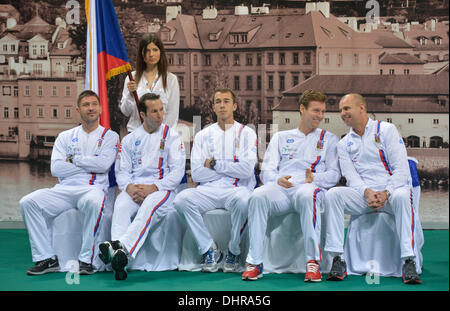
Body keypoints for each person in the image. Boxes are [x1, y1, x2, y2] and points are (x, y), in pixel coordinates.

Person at [241, 89, 340, 282]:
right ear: (302, 109)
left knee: (305, 195)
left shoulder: (329, 139)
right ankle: (255, 262)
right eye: (316, 110)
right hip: (282, 189)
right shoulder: (282, 137)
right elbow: (267, 170)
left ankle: (312, 262)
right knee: (257, 196)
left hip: (310, 188)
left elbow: (335, 175)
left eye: (322, 111)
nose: (320, 116)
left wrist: (315, 179)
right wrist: (276, 180)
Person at [324, 93, 422, 285]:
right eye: (340, 111)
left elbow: (401, 170)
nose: (342, 114)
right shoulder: (344, 144)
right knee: (333, 195)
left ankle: (408, 261)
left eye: (346, 108)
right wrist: (368, 193)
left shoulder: (386, 130)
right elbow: (351, 177)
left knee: (403, 196)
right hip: (365, 197)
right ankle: (338, 259)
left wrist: (386, 193)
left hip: (391, 194)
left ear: (361, 108)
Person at [19, 90, 119, 275]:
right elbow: (56, 169)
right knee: (28, 202)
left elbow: (104, 165)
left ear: (100, 108)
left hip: (92, 188)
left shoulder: (110, 136)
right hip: (64, 189)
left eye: (94, 104)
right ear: (77, 109)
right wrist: (90, 163)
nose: (90, 108)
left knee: (94, 202)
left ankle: (86, 260)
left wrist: (73, 160)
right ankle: (47, 258)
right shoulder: (65, 136)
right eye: (86, 105)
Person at [99, 92, 186, 281]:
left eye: (161, 110)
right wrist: (129, 188)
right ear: (142, 115)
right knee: (121, 206)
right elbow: (121, 171)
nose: (160, 115)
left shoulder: (172, 137)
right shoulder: (130, 139)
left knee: (148, 206)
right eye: (154, 111)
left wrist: (154, 187)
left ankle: (121, 248)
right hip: (135, 189)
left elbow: (177, 173)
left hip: (162, 190)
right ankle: (119, 264)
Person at [173, 88, 258, 274]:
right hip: (208, 190)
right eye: (218, 101)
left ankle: (234, 251)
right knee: (181, 200)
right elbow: (196, 173)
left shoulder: (247, 133)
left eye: (226, 101)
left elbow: (246, 170)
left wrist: (214, 165)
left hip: (236, 190)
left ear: (234, 106)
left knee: (245, 201)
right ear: (213, 107)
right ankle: (209, 249)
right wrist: (230, 168)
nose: (222, 105)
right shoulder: (203, 134)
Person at [120, 33, 180, 132]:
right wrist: (130, 96)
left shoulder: (171, 79)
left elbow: (172, 114)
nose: (151, 54)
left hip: (160, 137)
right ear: (142, 54)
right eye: (147, 50)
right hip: (136, 135)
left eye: (155, 50)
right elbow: (125, 112)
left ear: (161, 52)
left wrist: (163, 137)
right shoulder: (132, 78)